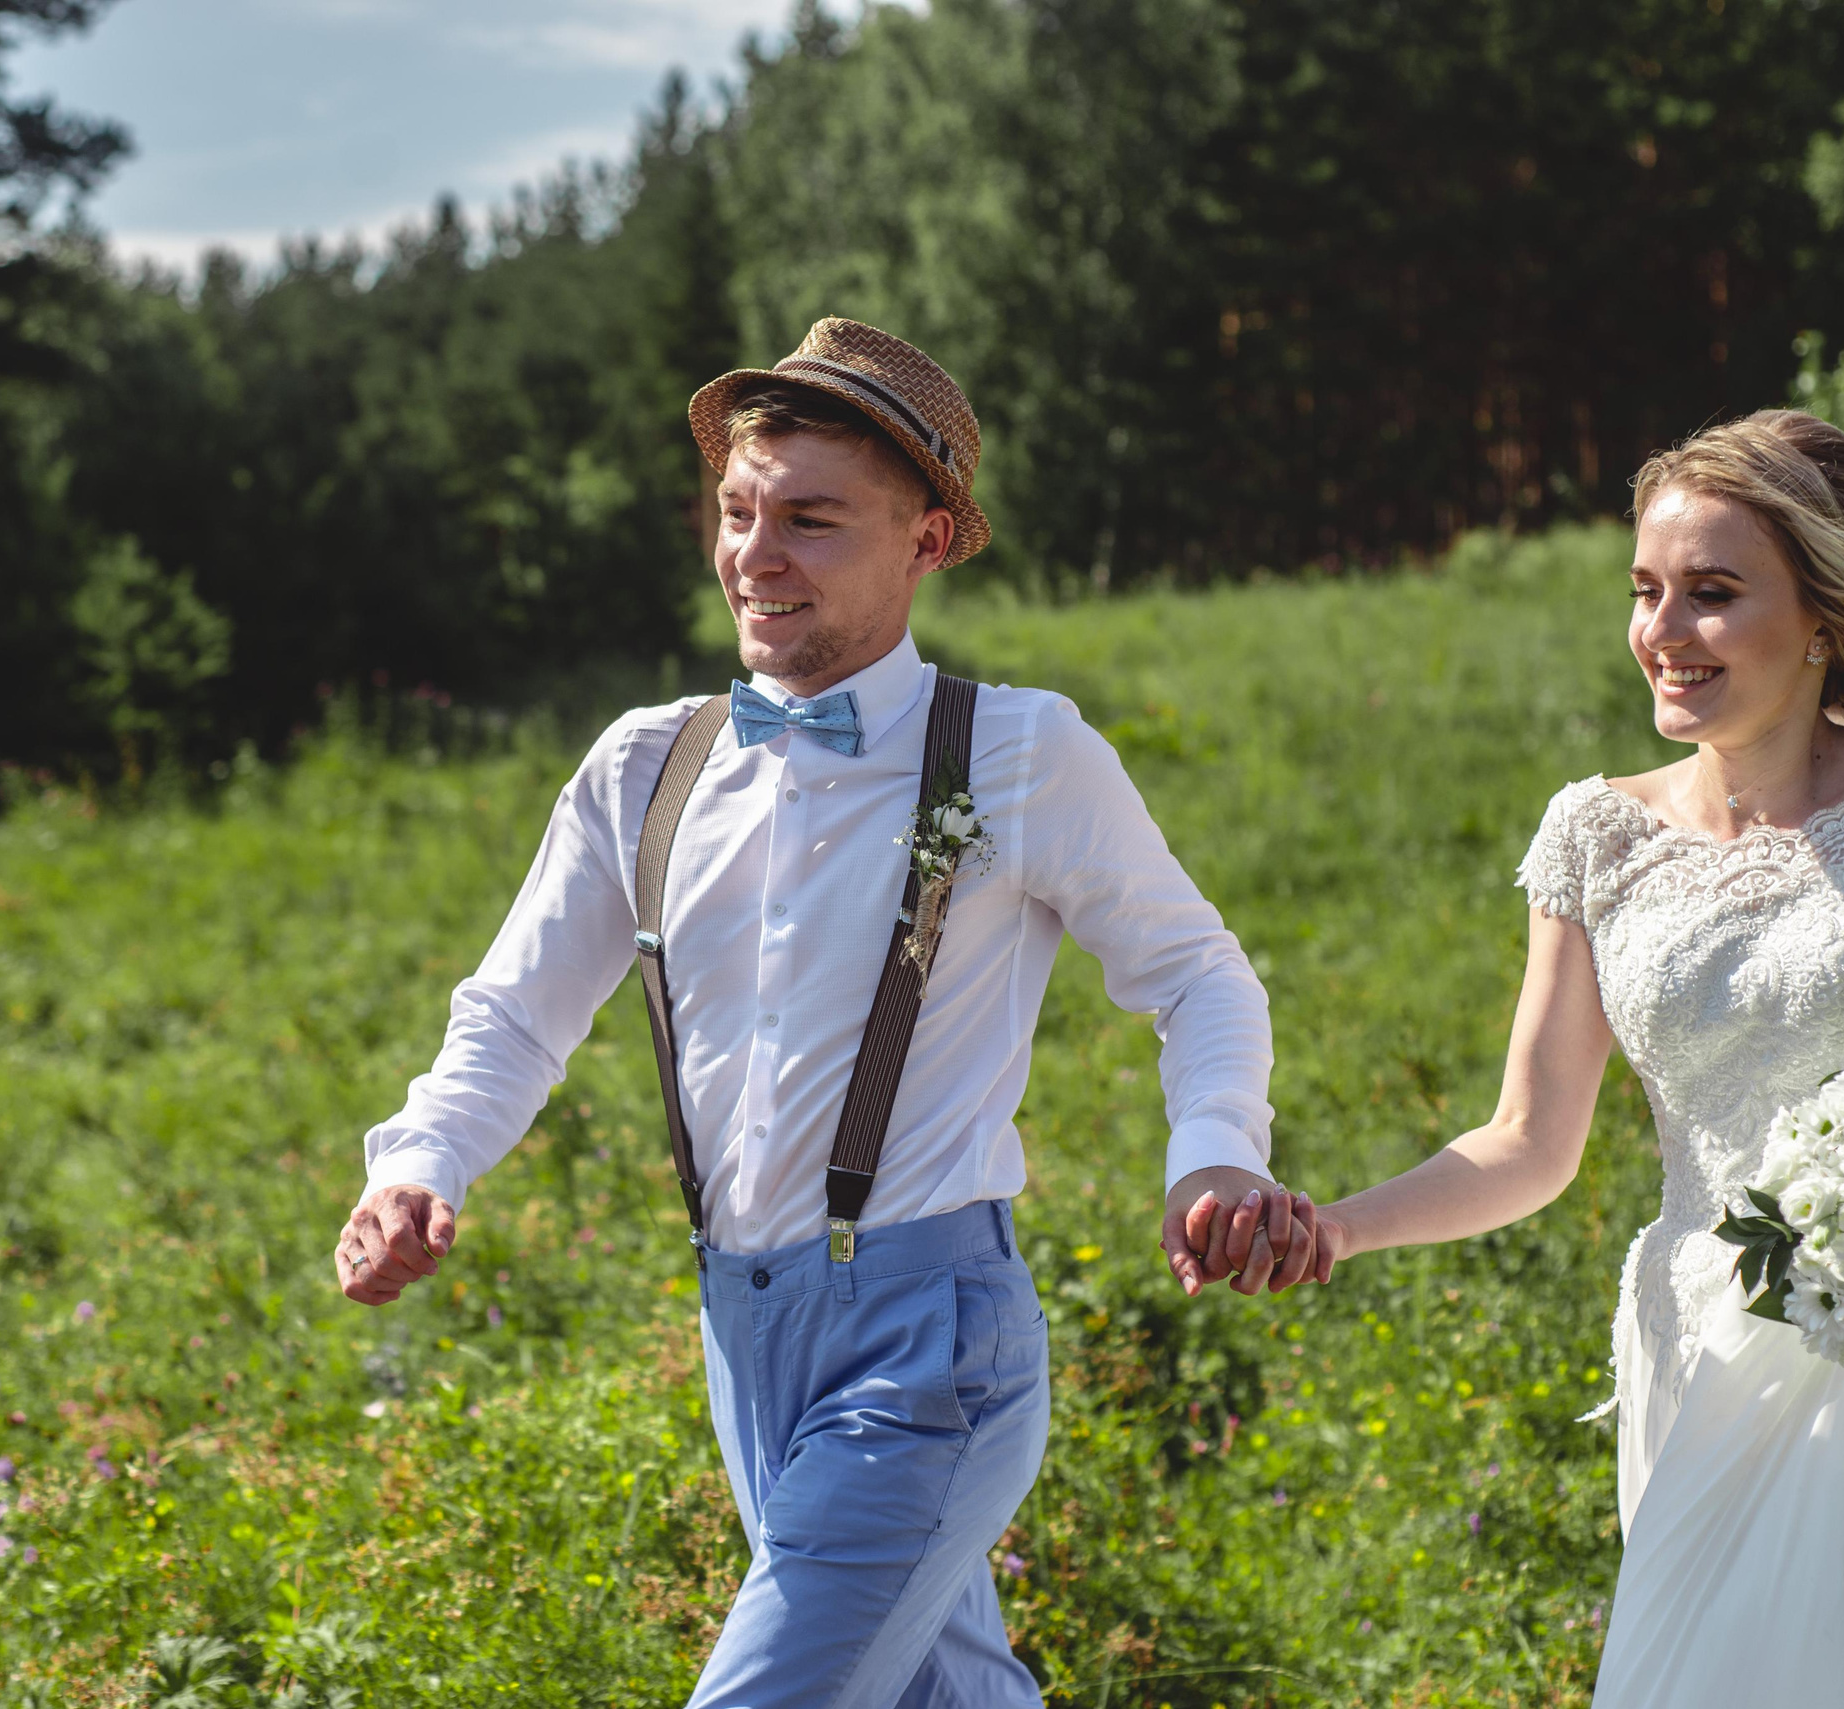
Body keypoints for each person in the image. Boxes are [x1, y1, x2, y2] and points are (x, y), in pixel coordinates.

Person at [332, 317, 1315, 1708]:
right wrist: (419, 1161)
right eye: (739, 513)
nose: (755, 555)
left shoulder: (1017, 750)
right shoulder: (644, 768)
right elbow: (513, 1011)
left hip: (934, 1335)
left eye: (810, 519)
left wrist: (1218, 1145)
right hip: (744, 1323)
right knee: (939, 1695)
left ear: (925, 540)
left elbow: (1198, 972)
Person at [1291, 410, 1844, 1706]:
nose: (1663, 630)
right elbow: (1527, 1139)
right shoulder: (1596, 836)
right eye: (1647, 592)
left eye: (1711, 593)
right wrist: (1333, 1228)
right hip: (1706, 1346)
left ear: (1821, 615)